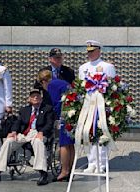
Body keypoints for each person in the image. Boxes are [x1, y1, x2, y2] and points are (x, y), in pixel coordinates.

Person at [0, 88, 54, 186]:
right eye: (33, 96)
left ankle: (43, 173)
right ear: (29, 99)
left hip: (38, 132)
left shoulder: (47, 109)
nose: (35, 97)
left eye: (37, 96)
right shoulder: (24, 110)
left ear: (41, 98)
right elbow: (18, 122)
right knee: (9, 141)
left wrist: (42, 132)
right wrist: (14, 131)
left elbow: (49, 124)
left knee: (38, 142)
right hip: (25, 134)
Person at [78, 40, 116, 173]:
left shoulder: (107, 66)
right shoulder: (83, 68)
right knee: (88, 133)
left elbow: (112, 87)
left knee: (102, 133)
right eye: (88, 51)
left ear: (99, 50)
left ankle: (102, 164)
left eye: (92, 51)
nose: (90, 54)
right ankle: (91, 162)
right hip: (88, 106)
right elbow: (80, 87)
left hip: (102, 106)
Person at [39, 71, 74, 182]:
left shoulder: (52, 85)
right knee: (70, 144)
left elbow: (56, 102)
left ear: (43, 81)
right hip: (72, 114)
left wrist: (55, 117)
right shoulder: (61, 82)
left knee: (63, 144)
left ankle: (64, 171)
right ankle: (71, 169)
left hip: (64, 115)